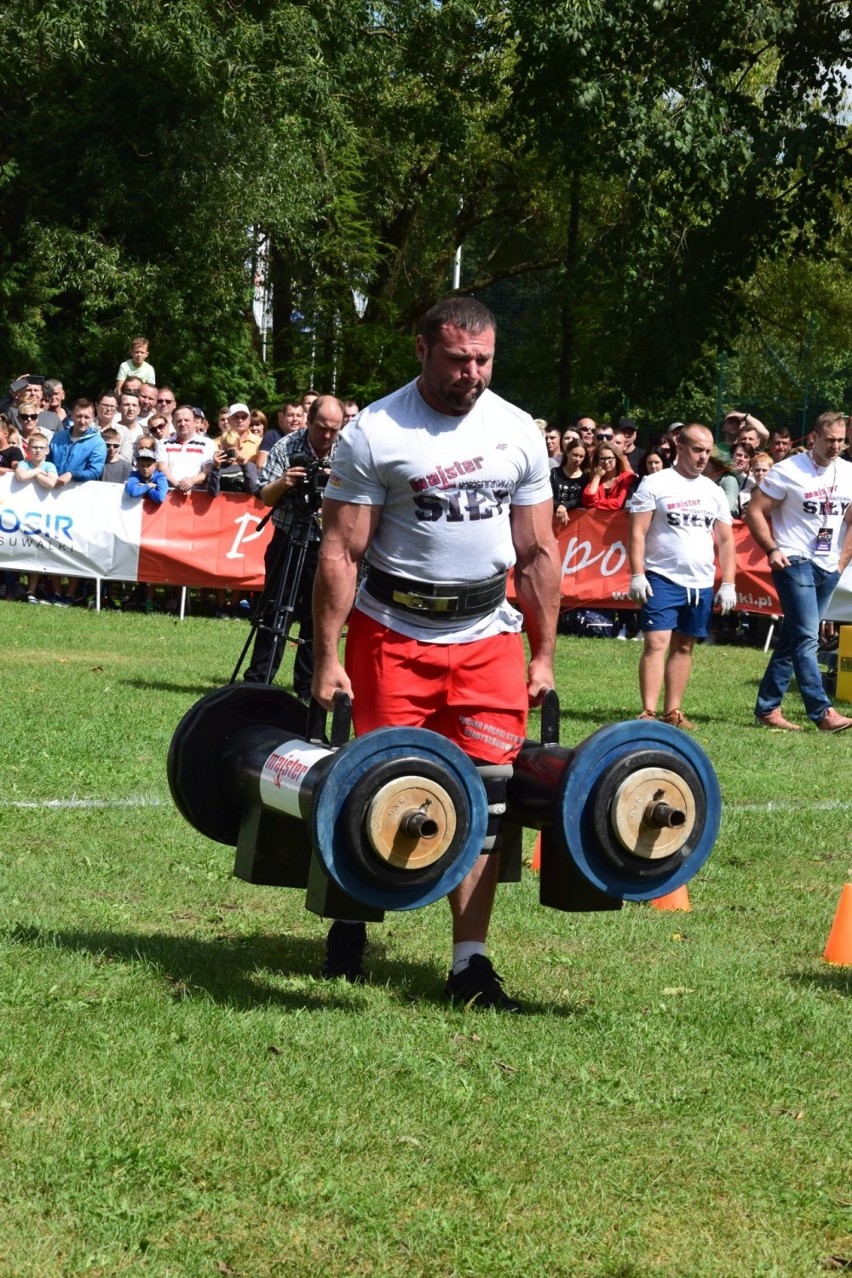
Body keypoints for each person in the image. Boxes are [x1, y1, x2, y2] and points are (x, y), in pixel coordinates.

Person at [311, 296, 560, 1009]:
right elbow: (341, 549)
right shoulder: (375, 432)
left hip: (487, 637)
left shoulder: (517, 431)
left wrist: (543, 654)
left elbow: (537, 550)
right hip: (393, 633)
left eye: (483, 359)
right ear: (422, 351)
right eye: (457, 360)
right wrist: (329, 656)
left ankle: (469, 965)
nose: (471, 374)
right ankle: (353, 920)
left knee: (489, 794)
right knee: (378, 788)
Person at [746, 411, 852, 732]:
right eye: (830, 439)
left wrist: (842, 561)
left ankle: (767, 707)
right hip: (794, 560)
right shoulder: (788, 470)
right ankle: (822, 712)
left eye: (842, 440)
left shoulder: (848, 472)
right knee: (808, 637)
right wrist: (772, 549)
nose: (837, 446)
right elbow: (755, 511)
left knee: (794, 637)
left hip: (829, 565)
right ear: (813, 438)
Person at [628, 423, 736, 727]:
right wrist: (638, 574)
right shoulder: (656, 484)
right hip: (662, 576)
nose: (703, 457)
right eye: (698, 450)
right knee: (656, 642)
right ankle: (648, 712)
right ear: (680, 447)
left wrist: (728, 583)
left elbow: (726, 540)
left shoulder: (713, 491)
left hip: (700, 582)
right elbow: (637, 532)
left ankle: (673, 710)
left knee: (685, 645)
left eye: (707, 451)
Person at [243, 394, 344, 697]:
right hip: (287, 537)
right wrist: (285, 482)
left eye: (333, 430)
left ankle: (307, 686)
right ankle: (257, 681)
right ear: (309, 421)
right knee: (273, 611)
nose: (327, 436)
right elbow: (264, 496)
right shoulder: (287, 446)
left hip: (325, 544)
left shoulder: (347, 451)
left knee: (317, 617)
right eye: (322, 428)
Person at [48, 399, 107, 485]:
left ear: (93, 418)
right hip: (52, 489)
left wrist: (72, 474)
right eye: (79, 416)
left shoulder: (98, 443)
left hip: (79, 492)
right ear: (72, 415)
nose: (82, 421)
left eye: (86, 417)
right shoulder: (58, 437)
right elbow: (47, 462)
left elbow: (94, 471)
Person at [581, 441, 635, 510]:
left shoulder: (626, 477)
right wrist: (597, 477)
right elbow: (588, 500)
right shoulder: (595, 477)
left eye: (610, 458)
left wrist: (596, 503)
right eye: (602, 459)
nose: (606, 462)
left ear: (616, 458)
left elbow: (618, 503)